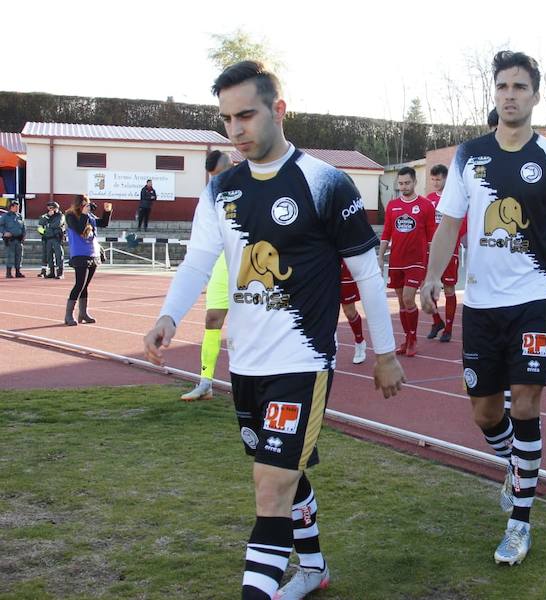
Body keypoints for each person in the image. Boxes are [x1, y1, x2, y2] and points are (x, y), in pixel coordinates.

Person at [142, 61, 404, 600]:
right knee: (286, 473)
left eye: (246, 115)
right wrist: (169, 315)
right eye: (226, 119)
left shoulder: (325, 183)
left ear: (278, 111)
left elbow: (367, 272)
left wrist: (385, 351)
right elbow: (196, 262)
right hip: (247, 364)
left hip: (301, 362)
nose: (235, 130)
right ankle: (313, 569)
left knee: (271, 484)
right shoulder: (222, 190)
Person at [422, 50, 546, 566]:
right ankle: (515, 469)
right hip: (483, 306)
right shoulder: (469, 155)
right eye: (503, 87)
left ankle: (520, 523)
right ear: (494, 94)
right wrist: (432, 276)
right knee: (485, 412)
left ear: (536, 95)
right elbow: (449, 222)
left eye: (520, 86)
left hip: (534, 302)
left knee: (526, 406)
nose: (511, 94)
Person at [181, 151, 233, 402]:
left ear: (232, 167)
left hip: (251, 263)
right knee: (212, 319)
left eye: (219, 176)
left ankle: (254, 382)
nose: (216, 181)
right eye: (212, 178)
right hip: (221, 263)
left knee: (250, 326)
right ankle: (205, 382)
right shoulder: (211, 195)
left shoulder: (254, 186)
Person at [379, 166, 435, 357]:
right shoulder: (392, 206)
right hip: (396, 261)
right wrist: (380, 258)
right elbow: (386, 233)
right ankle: (406, 338)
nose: (403, 187)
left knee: (408, 299)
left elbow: (431, 239)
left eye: (407, 183)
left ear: (415, 182)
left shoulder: (426, 206)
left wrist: (432, 267)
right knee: (403, 304)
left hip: (416, 262)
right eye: (400, 184)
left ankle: (413, 339)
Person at [424, 163, 464, 342]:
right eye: (433, 179)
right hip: (430, 250)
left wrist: (454, 241)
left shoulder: (455, 198)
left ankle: (448, 328)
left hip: (450, 251)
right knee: (428, 287)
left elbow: (460, 224)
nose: (435, 182)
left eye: (438, 179)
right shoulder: (429, 199)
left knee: (448, 287)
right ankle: (436, 321)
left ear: (446, 179)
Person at [64, 196, 111, 325]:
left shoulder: (89, 216)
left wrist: (107, 211)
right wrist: (84, 214)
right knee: (79, 284)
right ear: (78, 205)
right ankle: (68, 315)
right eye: (84, 204)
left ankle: (83, 313)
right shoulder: (70, 216)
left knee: (85, 286)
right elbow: (79, 229)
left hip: (92, 253)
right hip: (79, 253)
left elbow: (103, 223)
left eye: (88, 204)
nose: (86, 207)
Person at [339, 259, 369, 364]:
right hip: (325, 269)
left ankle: (359, 341)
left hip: (344, 269)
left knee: (350, 313)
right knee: (326, 313)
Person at [38, 201, 66, 279]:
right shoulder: (46, 216)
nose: (50, 209)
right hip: (48, 238)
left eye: (52, 208)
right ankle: (52, 272)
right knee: (49, 256)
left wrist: (47, 225)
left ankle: (60, 273)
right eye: (49, 208)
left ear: (56, 208)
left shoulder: (60, 216)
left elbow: (57, 224)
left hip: (56, 238)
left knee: (58, 255)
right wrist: (47, 217)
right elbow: (40, 223)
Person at [1, 199, 26, 278]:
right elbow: (0, 226)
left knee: (19, 256)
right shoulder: (5, 216)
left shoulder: (19, 216)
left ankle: (18, 272)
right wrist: (4, 232)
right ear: (11, 207)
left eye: (18, 207)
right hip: (10, 239)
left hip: (19, 239)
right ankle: (8, 273)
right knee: (10, 256)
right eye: (16, 207)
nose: (17, 208)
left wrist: (24, 235)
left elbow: (23, 227)